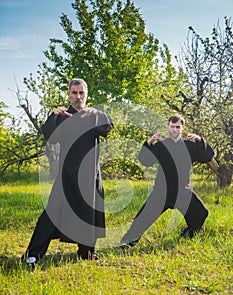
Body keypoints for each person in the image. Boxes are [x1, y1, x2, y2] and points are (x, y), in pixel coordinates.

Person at [22, 78, 114, 265]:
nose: (78, 97)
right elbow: (50, 137)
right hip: (67, 175)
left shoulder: (93, 115)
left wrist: (97, 112)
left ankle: (86, 252)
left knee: (88, 214)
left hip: (90, 175)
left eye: (81, 93)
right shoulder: (63, 116)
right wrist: (53, 117)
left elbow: (108, 128)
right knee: (51, 213)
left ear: (86, 94)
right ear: (68, 94)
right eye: (74, 93)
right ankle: (33, 255)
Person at [120, 114, 215, 247]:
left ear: (182, 128)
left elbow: (207, 156)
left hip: (182, 191)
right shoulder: (161, 146)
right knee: (143, 218)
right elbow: (145, 161)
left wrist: (200, 140)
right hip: (161, 192)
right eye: (172, 127)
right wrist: (149, 143)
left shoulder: (190, 146)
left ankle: (187, 235)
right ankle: (128, 241)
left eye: (177, 127)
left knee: (201, 213)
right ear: (168, 127)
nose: (174, 130)